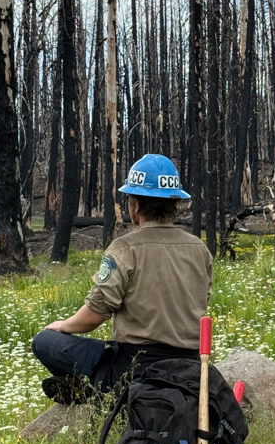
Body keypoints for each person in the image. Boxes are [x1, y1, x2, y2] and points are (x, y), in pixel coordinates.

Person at [32, 154, 213, 402]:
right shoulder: (199, 249)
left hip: (134, 367)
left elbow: (95, 315)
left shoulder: (124, 249)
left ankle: (94, 395)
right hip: (189, 365)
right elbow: (203, 300)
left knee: (43, 342)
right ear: (174, 202)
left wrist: (62, 325)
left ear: (136, 205)